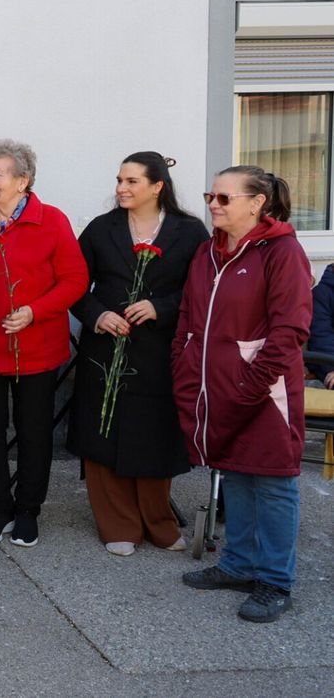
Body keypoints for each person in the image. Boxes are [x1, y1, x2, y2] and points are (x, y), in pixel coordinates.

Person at [174, 166, 309, 623]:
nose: (214, 204)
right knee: (234, 472)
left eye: (225, 198)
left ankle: (274, 580)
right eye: (211, 194)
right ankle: (239, 564)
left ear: (257, 203)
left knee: (271, 481)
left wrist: (252, 384)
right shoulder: (207, 252)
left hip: (265, 391)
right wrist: (184, 363)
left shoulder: (282, 251)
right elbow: (189, 318)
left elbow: (290, 329)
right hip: (215, 386)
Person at [69, 153, 208, 556]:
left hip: (159, 350)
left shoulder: (189, 231)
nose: (121, 188)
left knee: (155, 435)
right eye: (119, 180)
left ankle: (158, 523)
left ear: (157, 186)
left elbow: (202, 289)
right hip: (104, 345)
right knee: (103, 432)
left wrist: (160, 307)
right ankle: (118, 525)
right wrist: (98, 315)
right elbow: (74, 284)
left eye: (131, 181)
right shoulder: (101, 229)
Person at [0, 139, 87, 548]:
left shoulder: (52, 221)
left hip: (37, 348)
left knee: (34, 434)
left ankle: (29, 510)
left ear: (22, 181)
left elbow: (75, 280)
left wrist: (35, 310)